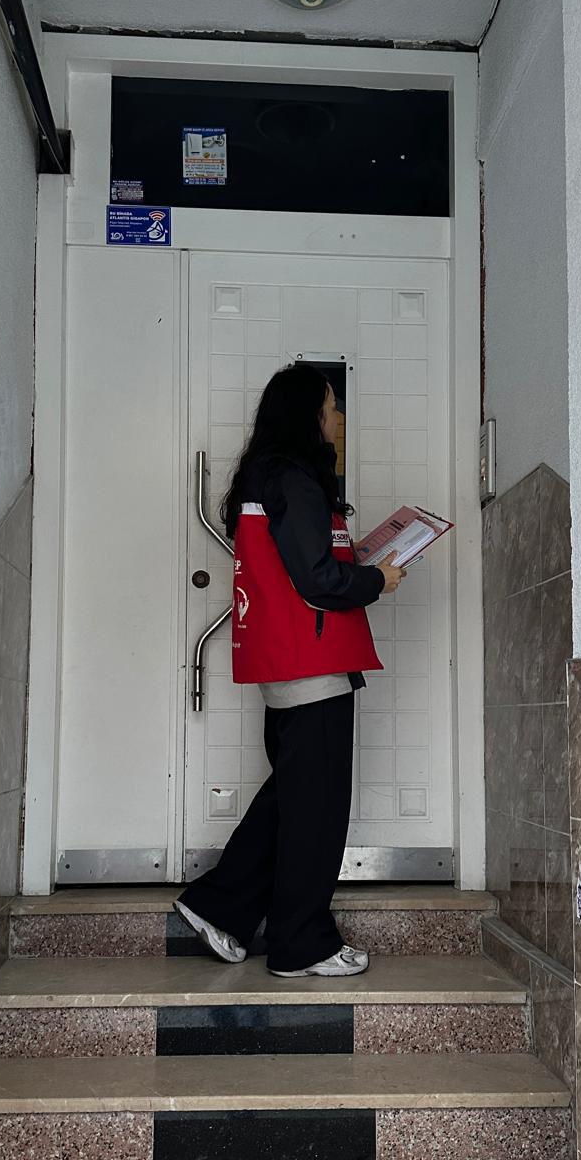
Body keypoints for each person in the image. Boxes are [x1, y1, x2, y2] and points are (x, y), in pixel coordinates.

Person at [175, 362, 405, 977]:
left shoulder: (267, 477)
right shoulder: (296, 481)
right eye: (330, 407)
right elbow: (318, 579)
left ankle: (220, 907)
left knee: (291, 803)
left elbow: (297, 564)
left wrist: (359, 565)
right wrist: (377, 580)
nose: (337, 417)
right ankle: (301, 944)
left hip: (286, 667)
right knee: (316, 815)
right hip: (314, 667)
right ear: (308, 415)